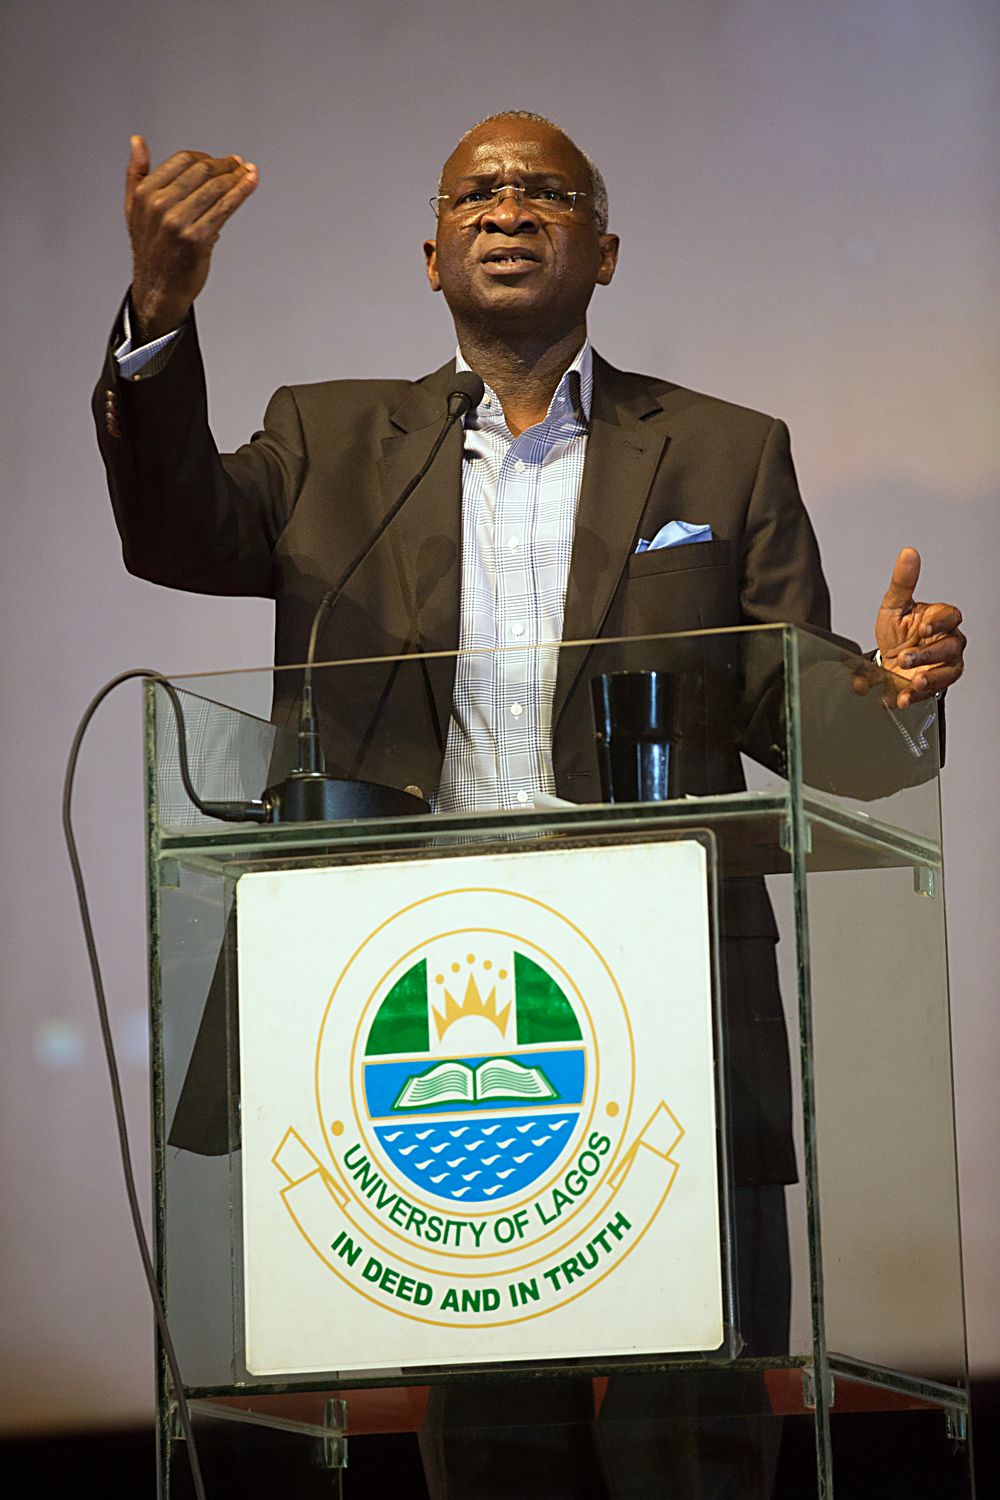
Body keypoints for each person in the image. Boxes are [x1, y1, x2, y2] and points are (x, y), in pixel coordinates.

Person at [94, 112, 967, 1499]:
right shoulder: (326, 441)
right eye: (480, 192)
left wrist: (894, 698)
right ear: (429, 249)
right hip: (421, 1017)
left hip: (669, 1003)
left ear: (604, 250)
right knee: (495, 1442)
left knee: (695, 1438)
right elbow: (175, 526)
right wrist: (156, 315)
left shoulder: (724, 455)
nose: (511, 208)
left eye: (548, 191)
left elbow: (786, 713)